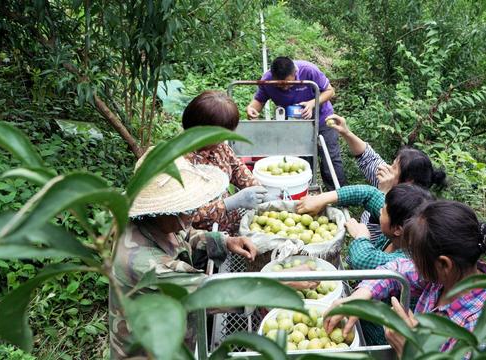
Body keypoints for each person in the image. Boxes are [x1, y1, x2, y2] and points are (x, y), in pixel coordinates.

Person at [109, 155, 258, 359]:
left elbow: (185, 234)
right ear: (162, 211)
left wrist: (225, 241)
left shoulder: (159, 222)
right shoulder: (143, 263)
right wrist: (280, 286)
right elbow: (212, 295)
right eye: (187, 209)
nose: (194, 213)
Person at [323, 201, 486, 355]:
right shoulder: (449, 275)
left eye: (416, 258)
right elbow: (397, 269)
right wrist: (359, 297)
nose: (413, 263)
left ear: (444, 264)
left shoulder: (484, 328)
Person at [325, 114, 446, 241]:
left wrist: (383, 193)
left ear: (408, 182)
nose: (386, 167)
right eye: (392, 163)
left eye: (394, 168)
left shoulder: (409, 212)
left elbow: (378, 239)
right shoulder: (390, 178)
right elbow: (368, 157)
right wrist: (346, 132)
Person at [246, 56, 345, 190]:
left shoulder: (308, 70)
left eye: (288, 83)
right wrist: (251, 109)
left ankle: (339, 196)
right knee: (302, 161)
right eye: (279, 85)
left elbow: (330, 91)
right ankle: (304, 190)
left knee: (330, 160)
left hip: (322, 119)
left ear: (295, 73)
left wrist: (312, 103)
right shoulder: (267, 80)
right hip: (296, 125)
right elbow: (258, 101)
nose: (284, 87)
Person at [182, 90, 269, 235]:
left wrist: (260, 190)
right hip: (204, 238)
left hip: (232, 228)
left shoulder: (218, 146)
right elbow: (185, 215)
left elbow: (237, 168)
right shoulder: (182, 163)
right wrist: (228, 204)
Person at [296, 183, 433, 270]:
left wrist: (361, 237)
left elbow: (363, 259)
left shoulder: (409, 262)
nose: (380, 210)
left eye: (384, 211)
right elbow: (369, 194)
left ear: (398, 229)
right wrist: (322, 199)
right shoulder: (406, 226)